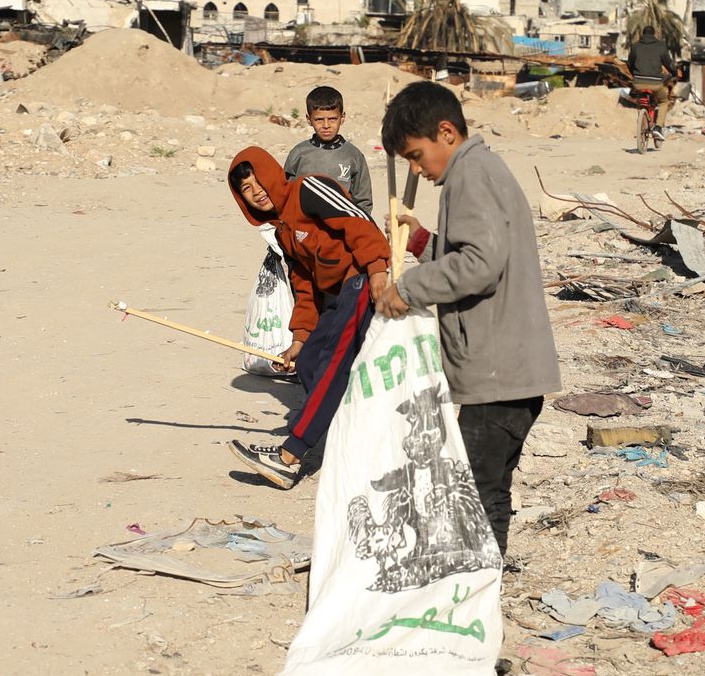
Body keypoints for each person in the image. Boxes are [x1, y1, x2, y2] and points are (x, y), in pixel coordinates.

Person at [374, 82, 560, 553]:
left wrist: (408, 288)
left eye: (417, 156)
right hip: (510, 370)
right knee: (488, 490)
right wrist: (421, 244)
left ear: (446, 132)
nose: (418, 169)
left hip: (497, 371)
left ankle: (477, 598)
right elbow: (476, 250)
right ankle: (487, 588)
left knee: (475, 495)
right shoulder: (481, 168)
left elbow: (479, 265)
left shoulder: (469, 174)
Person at [225, 147, 392, 489]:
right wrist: (300, 338)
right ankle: (359, 441)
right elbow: (304, 285)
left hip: (360, 281)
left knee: (333, 366)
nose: (257, 192)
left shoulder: (308, 189)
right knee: (311, 362)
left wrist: (377, 269)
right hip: (337, 297)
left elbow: (358, 221)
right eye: (246, 189)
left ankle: (290, 456)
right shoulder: (283, 232)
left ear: (272, 174)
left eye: (259, 181)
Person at [282, 86, 374, 219]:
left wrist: (356, 227)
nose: (326, 125)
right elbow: (286, 194)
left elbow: (363, 201)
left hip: (341, 228)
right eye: (319, 119)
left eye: (332, 119)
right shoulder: (298, 154)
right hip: (304, 227)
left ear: (342, 118)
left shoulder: (353, 156)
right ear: (309, 119)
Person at [627, 28, 679, 133]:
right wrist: (674, 72)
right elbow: (668, 63)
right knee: (664, 102)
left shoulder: (635, 46)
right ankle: (658, 127)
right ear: (654, 34)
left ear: (642, 34)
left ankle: (643, 123)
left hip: (638, 83)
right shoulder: (661, 46)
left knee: (640, 101)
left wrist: (635, 75)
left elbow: (629, 63)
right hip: (655, 83)